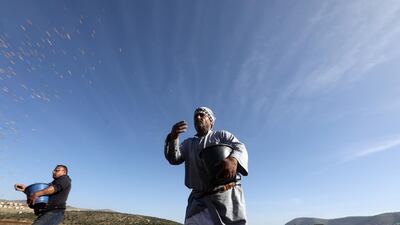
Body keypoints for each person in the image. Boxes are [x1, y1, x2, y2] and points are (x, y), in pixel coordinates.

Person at [164, 107, 248, 225]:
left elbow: (240, 147)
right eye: (195, 116)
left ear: (210, 120)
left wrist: (233, 159)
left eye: (201, 115)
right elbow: (174, 158)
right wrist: (173, 138)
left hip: (226, 198)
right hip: (198, 203)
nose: (197, 117)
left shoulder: (221, 135)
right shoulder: (188, 144)